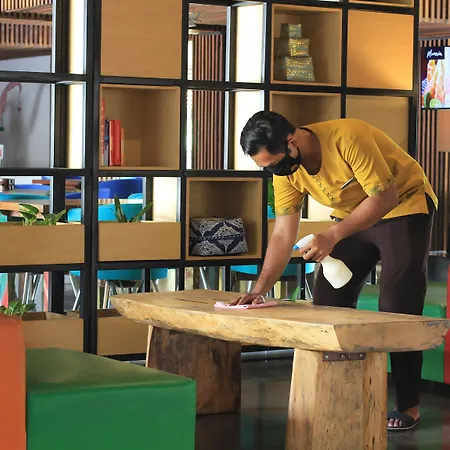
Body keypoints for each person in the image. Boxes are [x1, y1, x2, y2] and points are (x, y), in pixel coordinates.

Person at [229, 111, 437, 432]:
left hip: (403, 205)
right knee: (328, 301)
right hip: (354, 214)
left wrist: (332, 235)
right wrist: (259, 290)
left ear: (292, 142)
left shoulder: (348, 137)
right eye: (265, 167)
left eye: (273, 163)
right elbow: (283, 233)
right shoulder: (286, 172)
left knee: (398, 305)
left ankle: (408, 403)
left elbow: (385, 197)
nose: (272, 171)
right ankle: (342, 392)